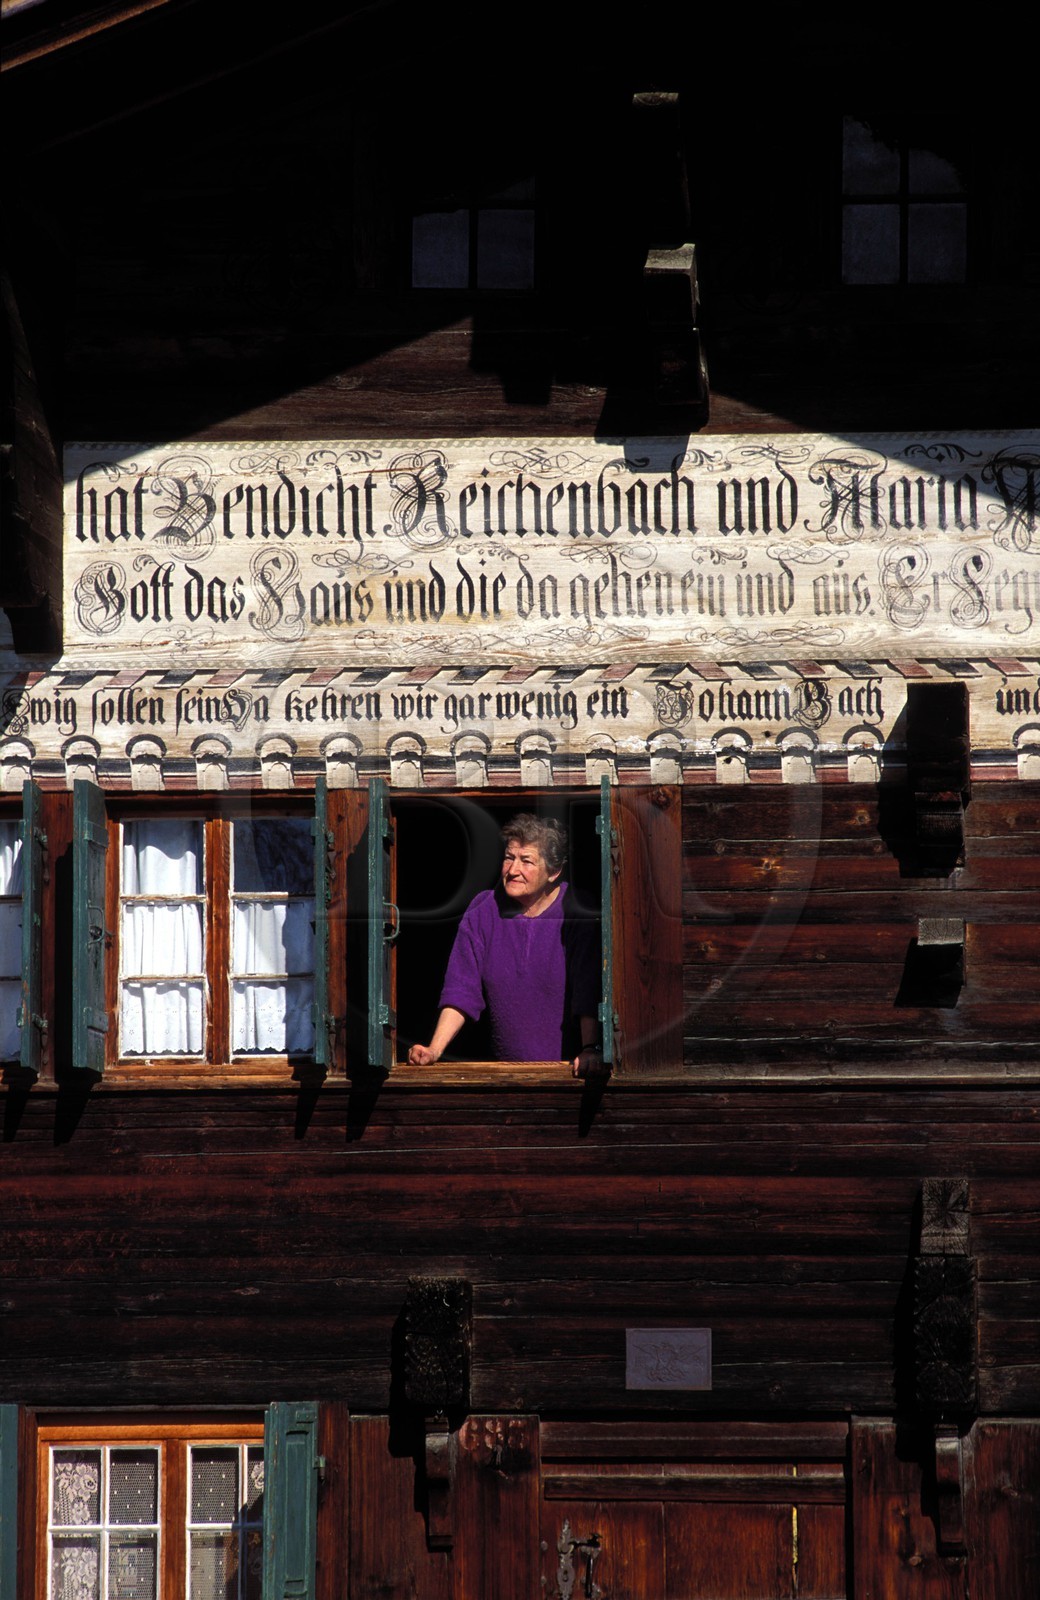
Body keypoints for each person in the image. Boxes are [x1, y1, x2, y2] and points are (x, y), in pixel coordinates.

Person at [407, 814, 605, 1076]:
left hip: (567, 1074)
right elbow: (461, 988)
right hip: (504, 1075)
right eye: (509, 857)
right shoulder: (483, 910)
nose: (513, 870)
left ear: (554, 872)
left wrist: (589, 1048)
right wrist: (434, 1049)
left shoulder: (577, 912)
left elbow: (587, 987)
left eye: (526, 861)